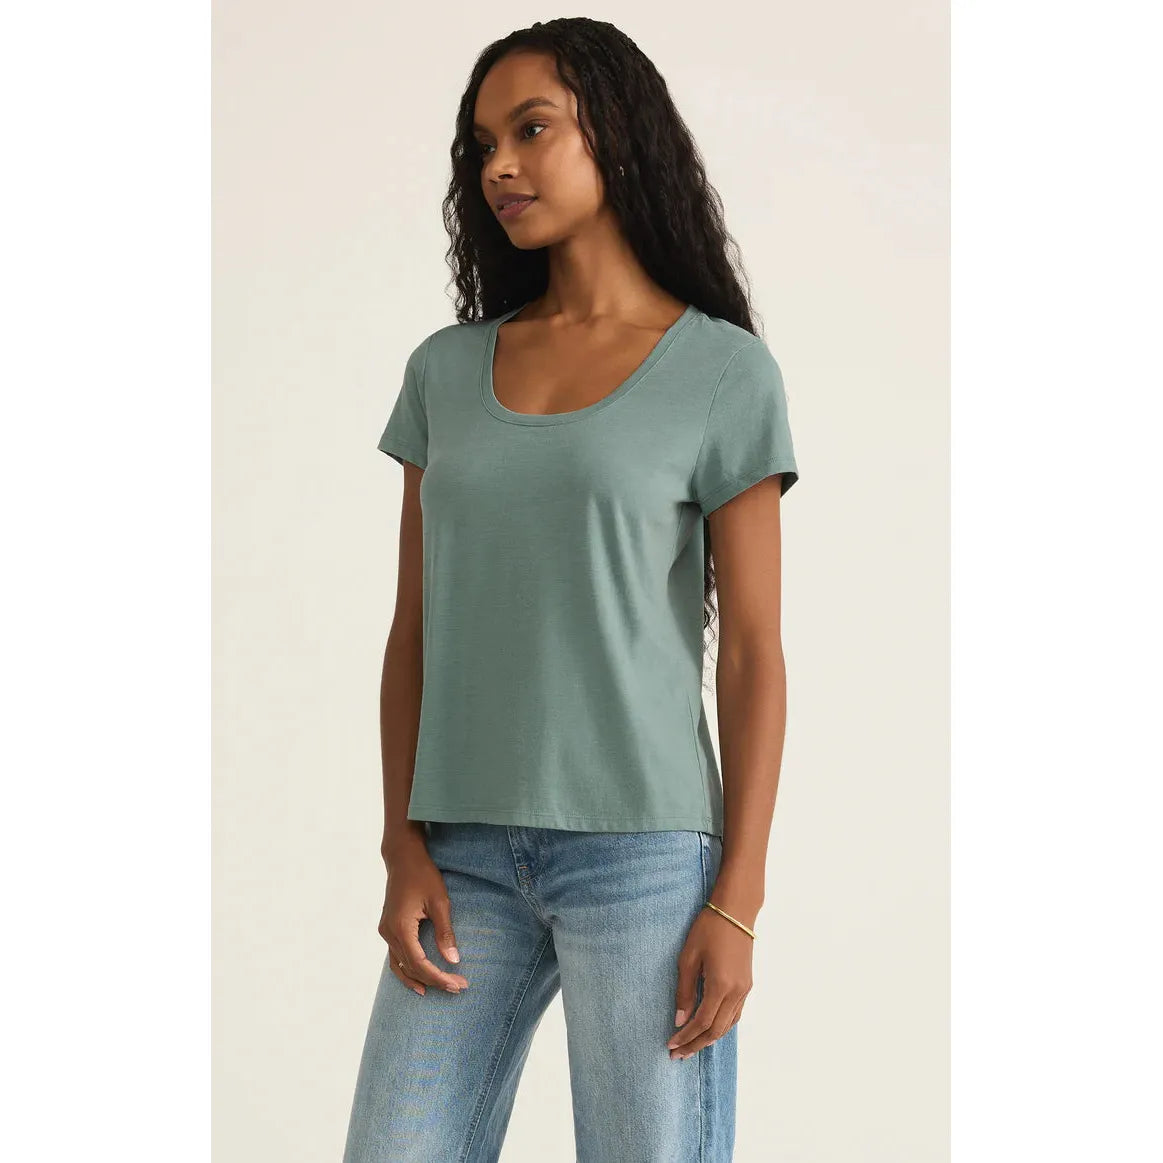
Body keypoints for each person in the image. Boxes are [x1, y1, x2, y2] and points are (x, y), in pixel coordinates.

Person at [342, 17, 800, 1163]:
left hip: (642, 856)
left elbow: (751, 650)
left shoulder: (721, 372)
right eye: (481, 145)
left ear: (619, 135)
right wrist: (402, 842)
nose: (499, 165)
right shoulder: (445, 372)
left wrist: (735, 897)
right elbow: (414, 629)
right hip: (460, 856)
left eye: (531, 130)